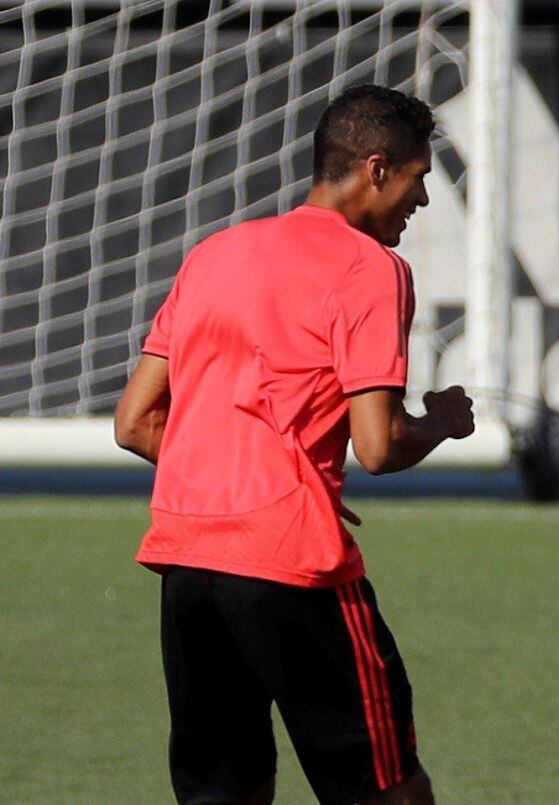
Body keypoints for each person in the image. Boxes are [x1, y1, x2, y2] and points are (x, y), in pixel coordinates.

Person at [114, 84, 474, 805]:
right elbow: (378, 444)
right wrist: (443, 421)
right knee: (386, 789)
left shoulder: (215, 253)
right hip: (290, 568)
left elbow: (135, 420)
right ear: (377, 168)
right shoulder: (371, 266)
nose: (423, 202)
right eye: (418, 180)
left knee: (226, 791)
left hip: (186, 564)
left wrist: (262, 478)